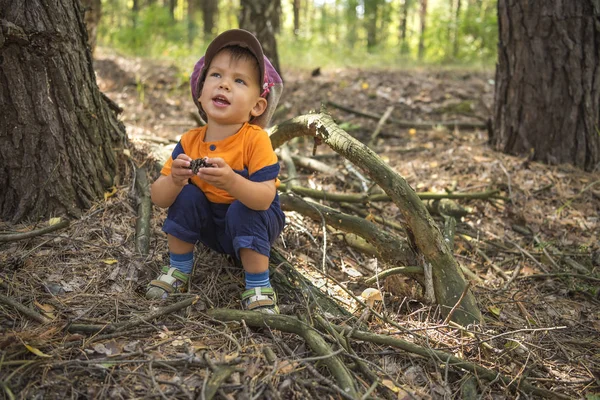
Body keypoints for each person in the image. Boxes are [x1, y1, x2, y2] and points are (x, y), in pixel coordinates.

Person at [146, 29, 285, 314]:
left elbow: (264, 199)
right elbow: (158, 197)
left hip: (254, 218)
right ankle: (178, 269)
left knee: (242, 210)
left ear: (257, 105)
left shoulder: (255, 139)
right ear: (200, 91)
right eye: (216, 76)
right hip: (211, 226)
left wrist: (233, 181)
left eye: (239, 81)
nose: (224, 85)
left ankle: (258, 284)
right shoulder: (190, 141)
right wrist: (175, 180)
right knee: (186, 196)